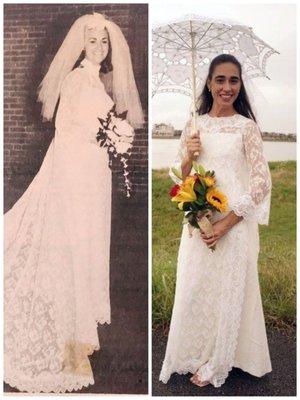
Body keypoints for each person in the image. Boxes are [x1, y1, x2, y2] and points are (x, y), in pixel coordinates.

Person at [4, 12, 144, 393]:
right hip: (75, 177)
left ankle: (80, 335)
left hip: (96, 178)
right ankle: (69, 346)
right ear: (81, 44)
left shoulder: (99, 81)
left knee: (89, 252)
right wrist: (106, 137)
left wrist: (114, 139)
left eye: (104, 42)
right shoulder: (75, 80)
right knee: (73, 254)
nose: (98, 47)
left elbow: (99, 128)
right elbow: (67, 131)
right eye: (92, 41)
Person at [159, 54, 272, 388]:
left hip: (233, 222)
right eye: (220, 80)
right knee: (196, 286)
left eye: (233, 80)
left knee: (229, 290)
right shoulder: (195, 125)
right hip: (201, 220)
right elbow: (180, 178)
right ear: (208, 83)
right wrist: (187, 157)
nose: (227, 87)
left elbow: (261, 181)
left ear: (239, 85)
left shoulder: (246, 127)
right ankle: (195, 349)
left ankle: (220, 359)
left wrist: (228, 222)